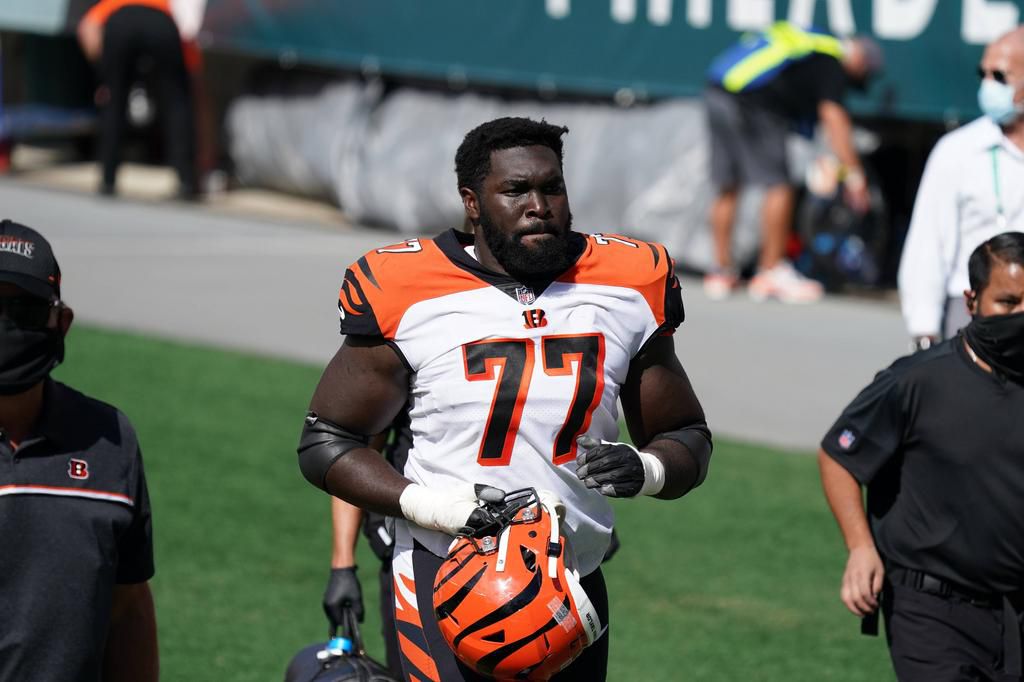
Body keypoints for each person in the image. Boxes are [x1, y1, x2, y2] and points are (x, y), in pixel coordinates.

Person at [298, 116, 712, 681]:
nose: (539, 205)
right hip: (446, 570)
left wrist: (650, 468)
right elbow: (327, 441)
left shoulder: (628, 283)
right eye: (516, 190)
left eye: (552, 187)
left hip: (572, 579)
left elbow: (687, 434)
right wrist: (439, 509)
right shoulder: (406, 287)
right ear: (473, 202)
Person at [819, 231, 1024, 681]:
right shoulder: (918, 381)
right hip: (931, 611)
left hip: (1014, 615)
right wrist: (859, 548)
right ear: (972, 302)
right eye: (1007, 304)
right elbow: (839, 456)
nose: (1020, 318)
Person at [0, 219, 158, 681]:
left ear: (61, 322)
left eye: (24, 311)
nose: (5, 325)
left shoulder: (109, 438)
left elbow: (129, 607)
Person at [703, 21, 882, 303]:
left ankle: (720, 271)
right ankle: (770, 272)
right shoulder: (831, 61)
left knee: (728, 184)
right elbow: (834, 118)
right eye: (863, 74)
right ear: (860, 60)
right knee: (779, 185)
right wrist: (855, 176)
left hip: (717, 91)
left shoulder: (810, 43)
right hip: (755, 104)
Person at [898, 27, 1024, 349]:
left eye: (1000, 75)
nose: (987, 84)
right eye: (982, 73)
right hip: (970, 314)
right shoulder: (957, 150)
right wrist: (924, 331)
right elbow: (927, 244)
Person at [76, 0, 199, 199]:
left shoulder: (114, 5)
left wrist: (103, 70)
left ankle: (107, 179)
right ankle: (186, 181)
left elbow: (87, 29)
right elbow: (190, 63)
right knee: (176, 102)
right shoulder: (167, 8)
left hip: (121, 27)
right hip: (161, 26)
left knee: (113, 101)